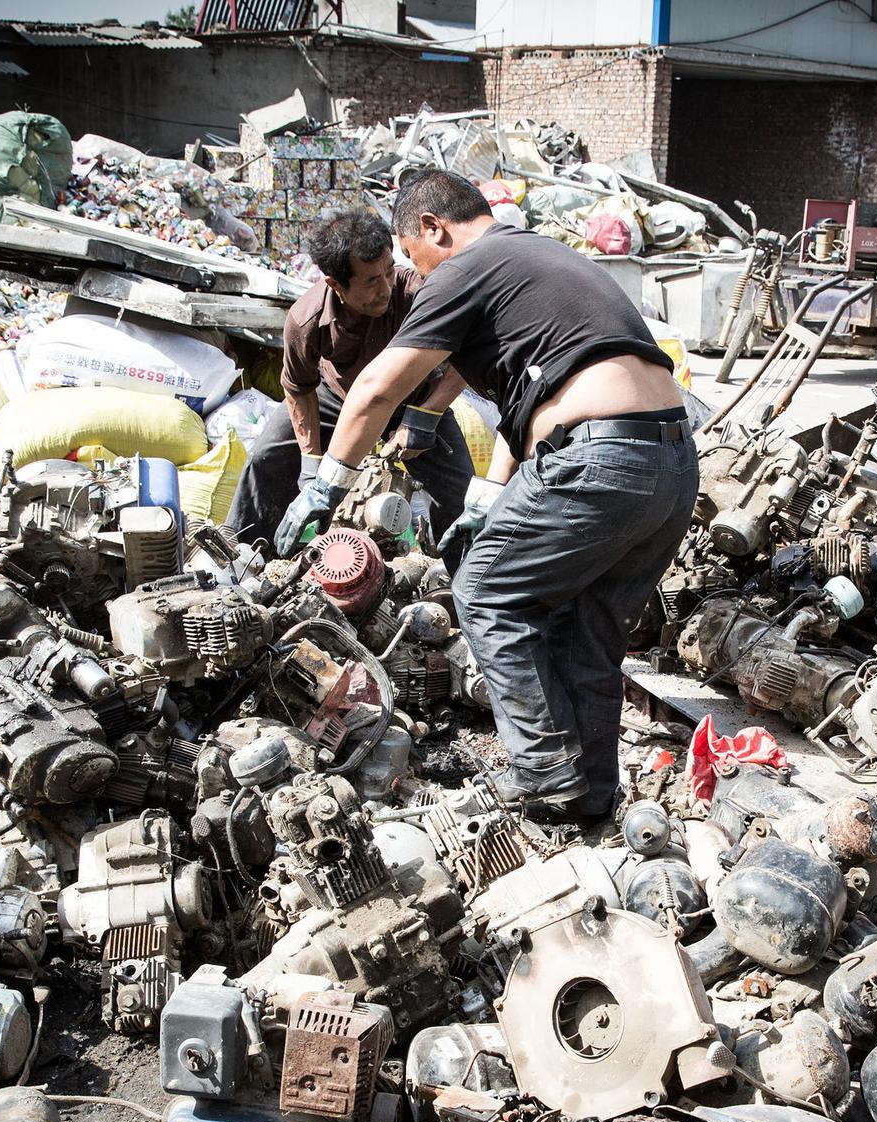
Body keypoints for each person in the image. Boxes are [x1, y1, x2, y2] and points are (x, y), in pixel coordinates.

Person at [283, 169, 697, 823]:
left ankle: (542, 774)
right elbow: (530, 403)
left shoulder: (467, 264)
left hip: (599, 455)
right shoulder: (543, 256)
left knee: (484, 592)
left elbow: (377, 389)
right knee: (584, 629)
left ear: (432, 228)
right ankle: (588, 797)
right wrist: (483, 499)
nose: (408, 278)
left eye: (411, 258)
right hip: (670, 463)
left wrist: (322, 485)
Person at [222, 208, 475, 556]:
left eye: (389, 272)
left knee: (458, 491)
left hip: (414, 400)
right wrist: (312, 467)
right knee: (266, 460)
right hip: (337, 399)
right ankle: (245, 559)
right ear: (335, 284)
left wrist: (428, 414)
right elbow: (298, 388)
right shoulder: (306, 319)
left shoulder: (419, 294)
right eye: (371, 281)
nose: (385, 289)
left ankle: (455, 578)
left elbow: (469, 354)